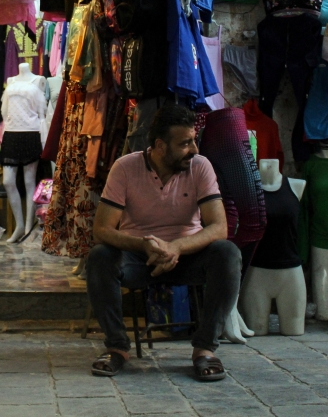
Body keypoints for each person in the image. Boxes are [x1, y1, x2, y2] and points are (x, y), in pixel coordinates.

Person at [87, 103, 241, 381]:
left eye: (193, 140)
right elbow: (102, 229)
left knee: (227, 253)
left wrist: (177, 247)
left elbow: (219, 227)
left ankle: (205, 349)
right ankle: (117, 348)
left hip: (187, 255)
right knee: (99, 257)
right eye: (185, 143)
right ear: (160, 145)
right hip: (140, 258)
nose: (194, 148)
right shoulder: (125, 168)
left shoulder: (200, 166)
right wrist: (144, 245)